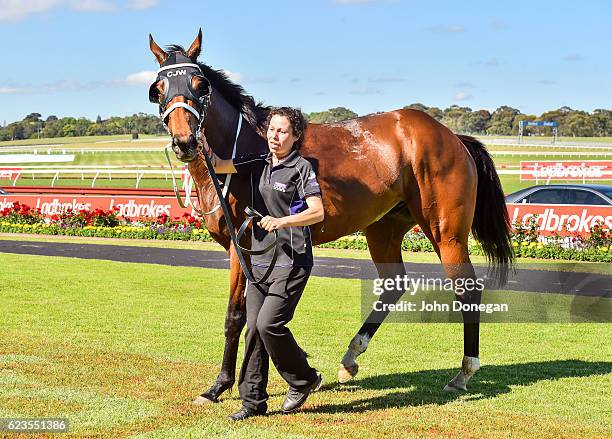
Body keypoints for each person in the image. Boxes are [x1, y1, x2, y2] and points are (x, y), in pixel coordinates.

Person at [203, 107, 325, 421]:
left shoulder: (302, 169)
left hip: (292, 261)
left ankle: (304, 379)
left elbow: (317, 212)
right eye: (272, 130)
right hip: (258, 262)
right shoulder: (259, 163)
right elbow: (219, 165)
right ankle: (252, 402)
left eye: (283, 131)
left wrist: (283, 221)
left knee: (269, 324)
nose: (275, 136)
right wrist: (197, 143)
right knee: (253, 332)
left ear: (296, 136)